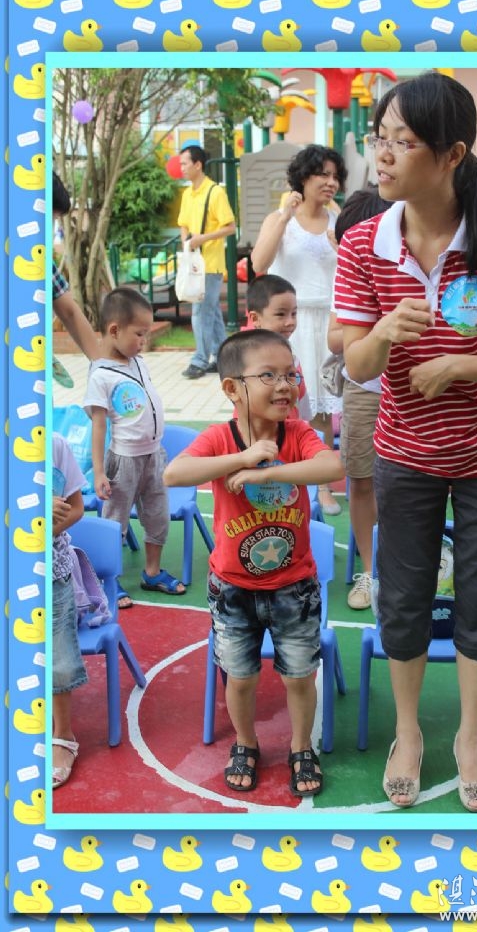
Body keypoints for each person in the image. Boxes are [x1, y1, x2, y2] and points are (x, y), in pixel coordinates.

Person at [334, 72, 477, 812]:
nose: (383, 154)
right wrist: (382, 333)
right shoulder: (364, 242)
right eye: (380, 138)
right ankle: (407, 732)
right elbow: (355, 364)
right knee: (402, 596)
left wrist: (460, 364)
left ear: (453, 154)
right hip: (405, 451)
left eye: (404, 141)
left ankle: (466, 734)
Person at [163, 329, 344, 796]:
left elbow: (332, 467)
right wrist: (240, 458)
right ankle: (245, 742)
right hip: (233, 589)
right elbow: (174, 473)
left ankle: (302, 747)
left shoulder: (297, 434)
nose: (285, 385)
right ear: (232, 388)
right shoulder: (219, 437)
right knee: (240, 678)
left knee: (299, 677)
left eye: (290, 375)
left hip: (294, 587)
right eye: (269, 376)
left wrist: (265, 472)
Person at [251, 144, 347, 516]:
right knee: (286, 403)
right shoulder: (281, 218)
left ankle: (322, 487)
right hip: (290, 323)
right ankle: (279, 477)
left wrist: (340, 240)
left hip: (329, 321)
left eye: (335, 176)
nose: (330, 182)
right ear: (303, 178)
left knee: (323, 410)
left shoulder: (339, 219)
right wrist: (284, 217)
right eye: (322, 174)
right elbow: (259, 262)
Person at [83, 286, 185, 608]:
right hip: (124, 460)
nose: (144, 341)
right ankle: (108, 579)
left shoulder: (138, 362)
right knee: (115, 521)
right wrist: (99, 472)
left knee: (157, 515)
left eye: (146, 334)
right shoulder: (101, 375)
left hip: (154, 456)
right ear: (114, 330)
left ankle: (152, 572)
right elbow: (98, 426)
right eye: (139, 334)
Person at [326, 185, 391, 610]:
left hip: (415, 390)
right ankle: (369, 571)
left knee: (417, 485)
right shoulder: (349, 272)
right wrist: (377, 329)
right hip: (365, 391)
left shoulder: (415, 262)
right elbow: (335, 338)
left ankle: (415, 568)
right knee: (362, 481)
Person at [178, 145, 236, 379]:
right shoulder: (187, 194)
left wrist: (203, 238)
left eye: (184, 163)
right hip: (193, 263)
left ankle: (200, 360)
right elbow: (183, 224)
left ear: (198, 164)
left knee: (201, 312)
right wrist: (187, 243)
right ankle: (223, 358)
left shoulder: (215, 192)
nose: (181, 168)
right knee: (210, 312)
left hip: (210, 264)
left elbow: (230, 227)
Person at [52, 432, 88, 788]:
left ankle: (63, 736)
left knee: (60, 660)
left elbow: (76, 508)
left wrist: (43, 530)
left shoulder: (54, 444)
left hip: (51, 572)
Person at [246, 273, 312, 422]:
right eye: (281, 314)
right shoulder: (247, 359)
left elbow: (302, 400)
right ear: (255, 318)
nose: (290, 322)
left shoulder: (292, 357)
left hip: (291, 429)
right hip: (258, 432)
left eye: (294, 314)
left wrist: (304, 425)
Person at [52, 171, 101, 361]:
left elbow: (70, 312)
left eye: (54, 220)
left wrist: (101, 365)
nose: (50, 227)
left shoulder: (40, 263)